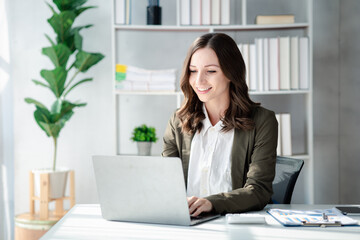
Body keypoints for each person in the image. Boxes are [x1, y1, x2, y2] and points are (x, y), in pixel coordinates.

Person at [162, 33, 278, 217]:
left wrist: (211, 203)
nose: (199, 81)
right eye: (193, 70)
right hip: (185, 224)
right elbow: (164, 183)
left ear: (231, 73)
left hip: (234, 224)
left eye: (211, 71)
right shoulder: (178, 121)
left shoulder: (263, 121)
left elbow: (258, 190)